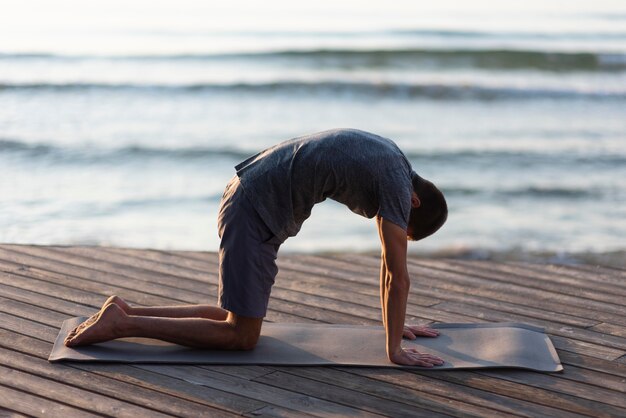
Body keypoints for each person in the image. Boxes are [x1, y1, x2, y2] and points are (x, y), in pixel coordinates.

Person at [64, 128, 448, 367]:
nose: (393, 228)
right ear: (414, 203)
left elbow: (389, 271)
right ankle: (123, 325)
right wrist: (394, 351)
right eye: (405, 229)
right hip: (254, 209)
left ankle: (125, 310)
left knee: (233, 316)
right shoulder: (399, 188)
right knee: (242, 336)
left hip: (249, 196)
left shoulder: (395, 160)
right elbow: (397, 274)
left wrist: (394, 329)